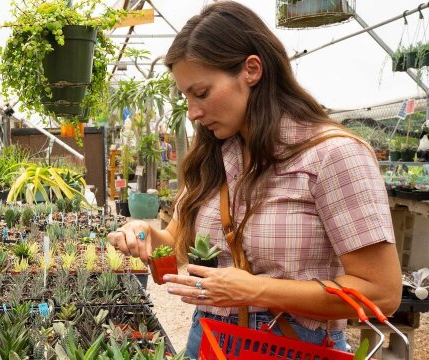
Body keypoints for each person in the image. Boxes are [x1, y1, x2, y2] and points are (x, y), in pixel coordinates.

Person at [107, 2, 401, 358]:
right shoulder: (212, 156)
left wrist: (255, 291)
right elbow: (180, 245)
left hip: (290, 347)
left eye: (201, 93)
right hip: (209, 340)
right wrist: (147, 236)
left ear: (251, 69)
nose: (194, 112)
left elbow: (381, 292)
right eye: (186, 97)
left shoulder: (332, 155)